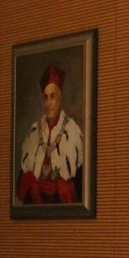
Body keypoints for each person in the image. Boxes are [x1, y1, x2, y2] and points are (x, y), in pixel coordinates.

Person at [16, 64, 85, 205]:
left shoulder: (72, 131)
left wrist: (62, 187)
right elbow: (20, 186)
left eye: (52, 97)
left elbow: (81, 188)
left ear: (60, 98)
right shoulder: (34, 132)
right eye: (45, 98)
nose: (48, 103)